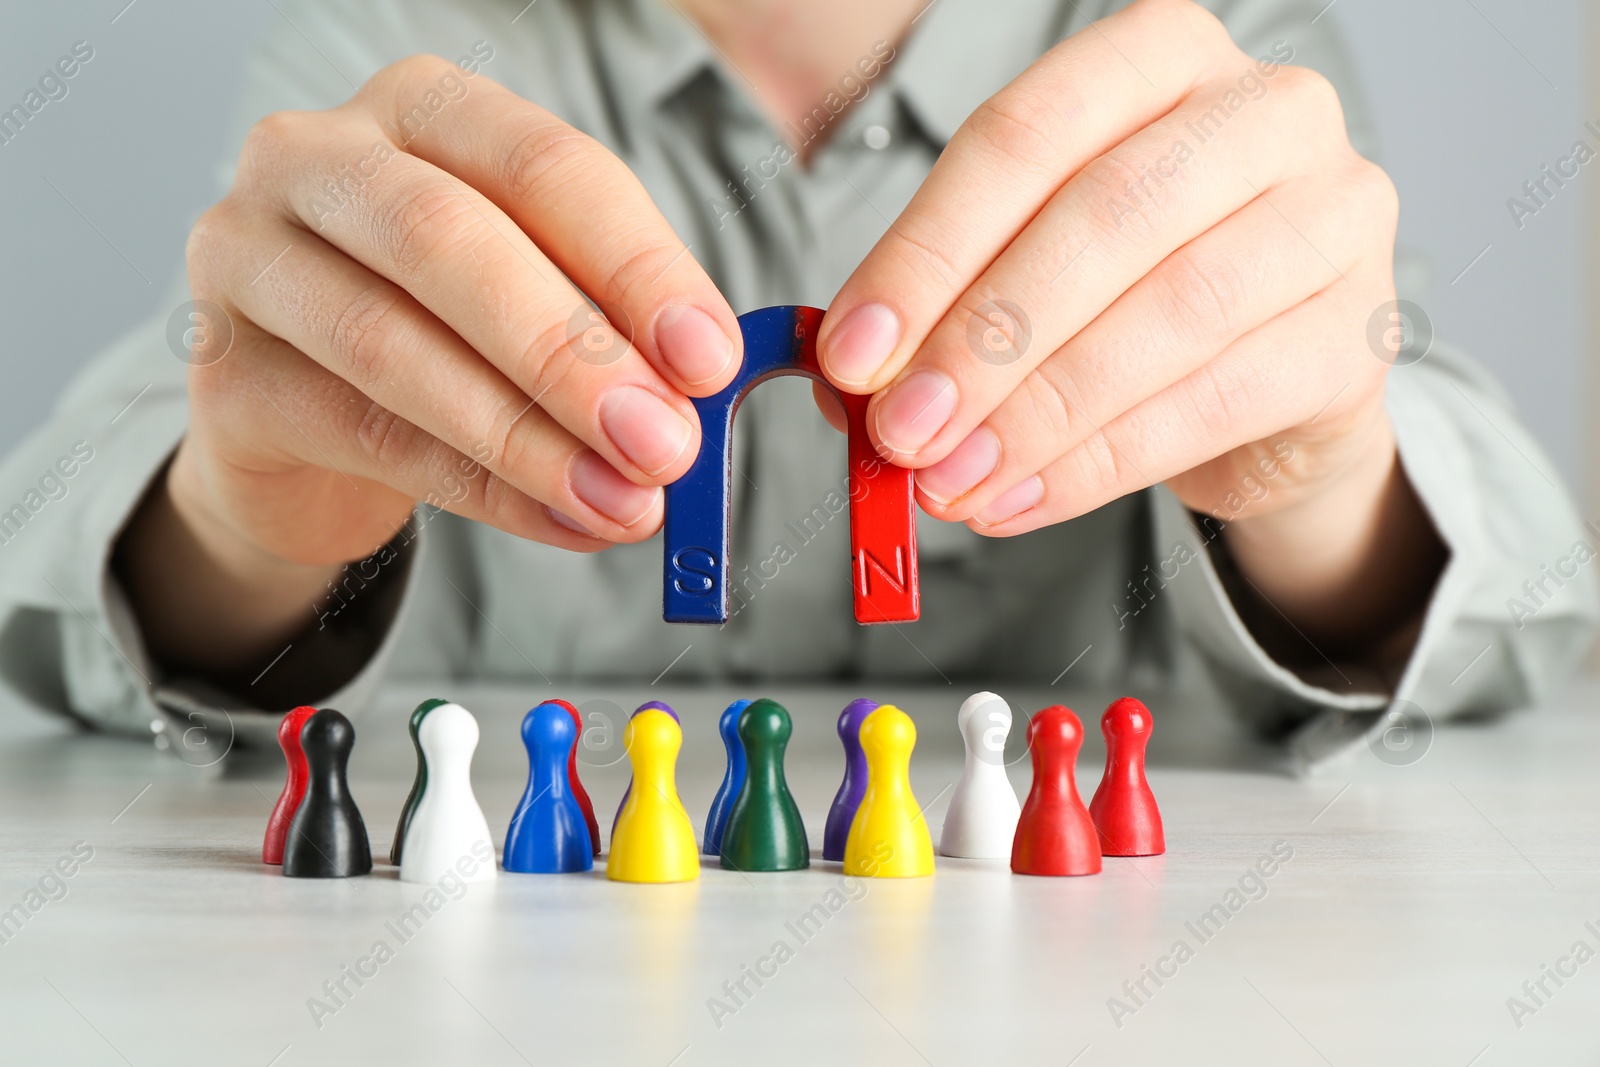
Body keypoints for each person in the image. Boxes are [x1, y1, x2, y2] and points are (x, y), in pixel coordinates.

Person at [0, 0, 1593, 767]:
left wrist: (1320, 487)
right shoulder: (405, 38)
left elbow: (1525, 600)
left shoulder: (1204, 36)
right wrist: (250, 523)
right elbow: (64, 571)